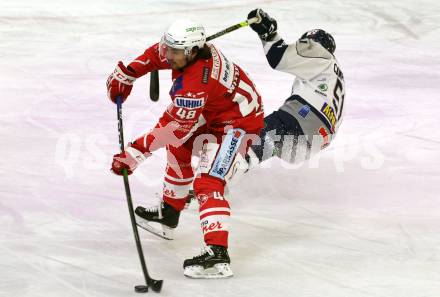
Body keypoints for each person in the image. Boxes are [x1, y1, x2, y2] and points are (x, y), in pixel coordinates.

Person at [107, 19, 264, 279]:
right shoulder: (184, 50)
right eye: (168, 47)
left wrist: (134, 154)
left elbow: (173, 127)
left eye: (174, 51)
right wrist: (129, 73)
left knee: (209, 182)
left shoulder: (196, 82)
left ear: (191, 52)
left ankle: (217, 255)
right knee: (178, 145)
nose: (167, 54)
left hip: (238, 124)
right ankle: (169, 212)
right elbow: (156, 55)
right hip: (215, 111)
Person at [244, 8, 346, 165]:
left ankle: (218, 181)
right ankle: (236, 174)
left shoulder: (320, 53)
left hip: (303, 116)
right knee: (260, 149)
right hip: (315, 141)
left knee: (250, 141)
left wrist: (269, 33)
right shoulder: (335, 76)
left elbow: (279, 58)